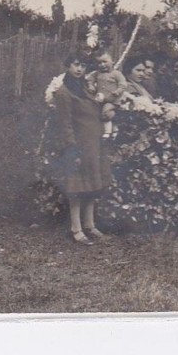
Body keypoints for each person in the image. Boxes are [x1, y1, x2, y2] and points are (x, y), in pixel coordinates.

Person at [53, 52, 113, 245]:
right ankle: (76, 228)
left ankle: (90, 224)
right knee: (77, 187)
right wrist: (72, 149)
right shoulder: (64, 92)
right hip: (78, 146)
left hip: (93, 144)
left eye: (83, 66)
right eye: (75, 64)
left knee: (92, 186)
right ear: (68, 66)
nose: (79, 69)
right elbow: (65, 124)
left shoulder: (86, 88)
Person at [86, 49, 127, 138]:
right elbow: (90, 79)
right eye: (99, 63)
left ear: (112, 61)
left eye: (105, 62)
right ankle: (114, 129)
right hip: (101, 99)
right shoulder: (97, 73)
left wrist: (118, 91)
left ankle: (108, 131)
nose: (102, 65)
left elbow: (123, 84)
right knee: (98, 112)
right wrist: (91, 85)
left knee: (106, 111)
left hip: (114, 100)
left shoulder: (116, 74)